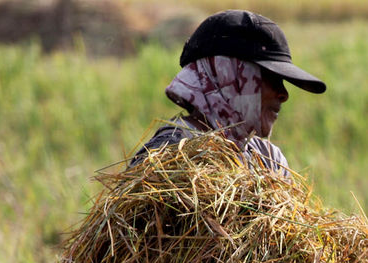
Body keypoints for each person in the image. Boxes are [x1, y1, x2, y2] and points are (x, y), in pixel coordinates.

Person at [131, 10, 326, 172]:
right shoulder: (169, 155)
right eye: (271, 77)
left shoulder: (269, 161)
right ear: (227, 75)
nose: (284, 94)